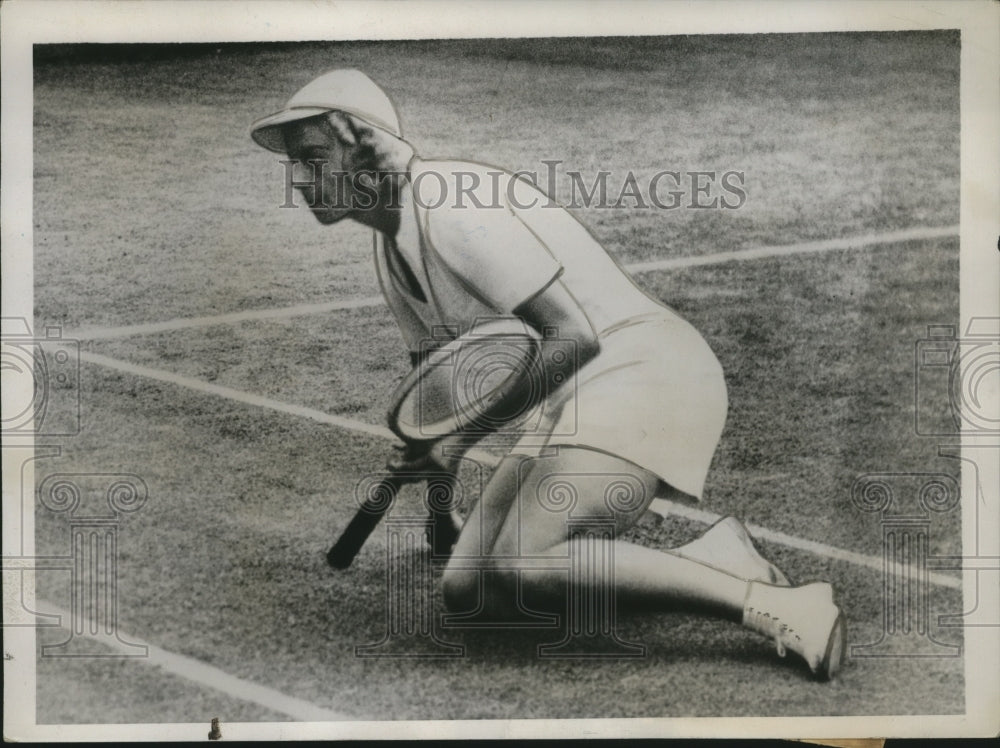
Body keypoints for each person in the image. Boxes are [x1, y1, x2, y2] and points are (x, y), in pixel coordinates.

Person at [250, 69, 846, 679]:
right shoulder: (390, 247)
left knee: (521, 564)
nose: (298, 180)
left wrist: (457, 446)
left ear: (361, 141)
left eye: (313, 158)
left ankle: (775, 605)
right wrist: (440, 513)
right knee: (472, 595)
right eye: (294, 164)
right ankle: (715, 557)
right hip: (574, 398)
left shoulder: (450, 205)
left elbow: (573, 337)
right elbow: (437, 395)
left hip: (646, 372)